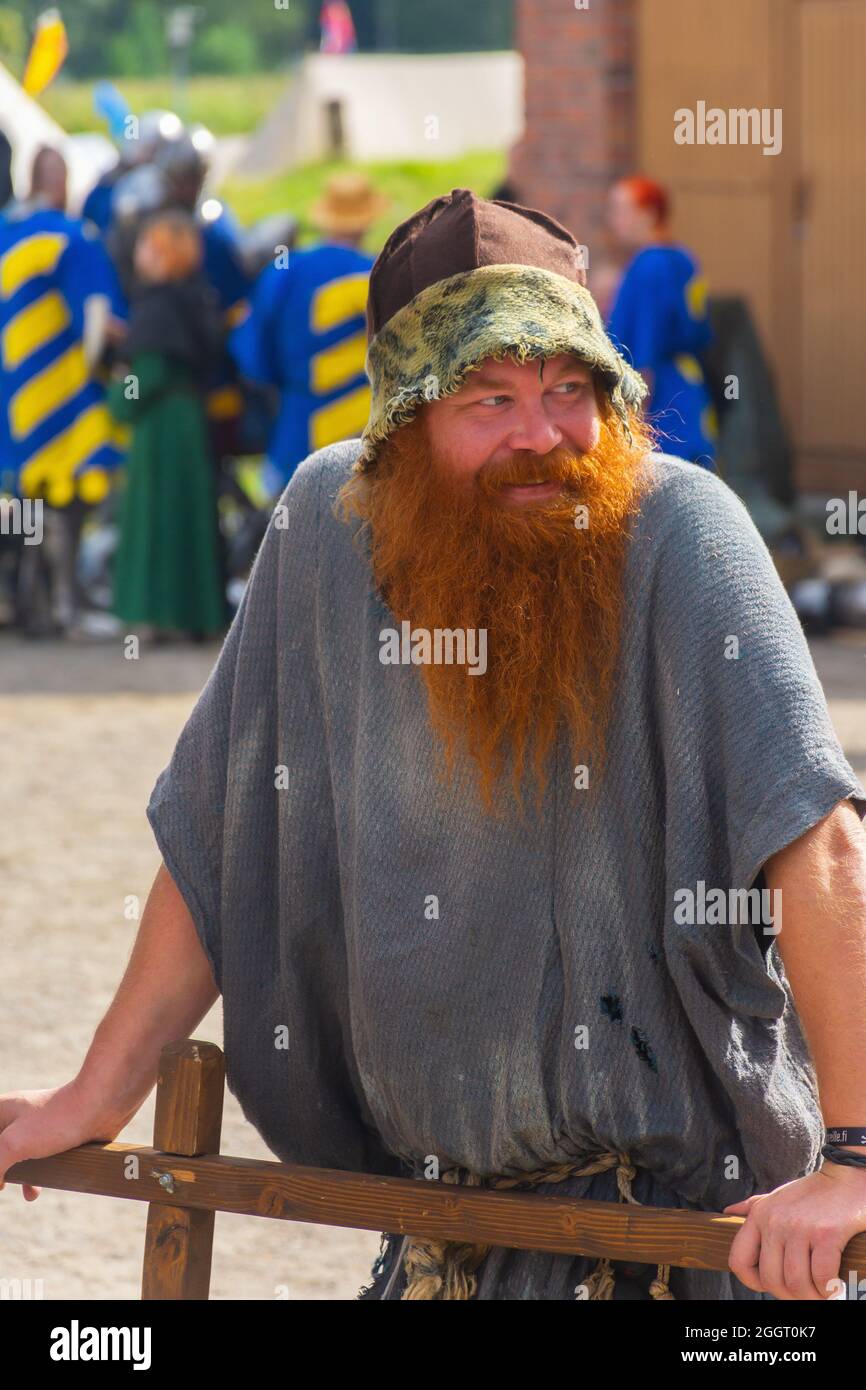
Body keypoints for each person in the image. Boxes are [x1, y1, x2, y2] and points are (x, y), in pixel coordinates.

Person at [3, 189, 866, 1304]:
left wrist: (850, 1159)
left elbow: (818, 845)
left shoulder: (679, 533)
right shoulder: (325, 530)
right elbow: (228, 836)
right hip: (440, 1239)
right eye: (487, 397)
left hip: (686, 1245)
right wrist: (95, 1091)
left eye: (568, 390)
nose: (539, 436)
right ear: (401, 422)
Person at [0, 146, 125, 634]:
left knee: (26, 502)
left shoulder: (6, 234)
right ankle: (64, 606)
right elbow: (95, 322)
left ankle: (21, 601)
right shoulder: (72, 239)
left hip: (15, 399)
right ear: (62, 181)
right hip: (65, 397)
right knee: (70, 501)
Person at [107, 211, 226, 641]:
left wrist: (119, 394)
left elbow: (148, 375)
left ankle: (158, 616)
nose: (138, 253)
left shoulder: (156, 303)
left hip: (160, 430)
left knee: (159, 520)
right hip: (189, 422)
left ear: (161, 255)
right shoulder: (194, 296)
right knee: (188, 518)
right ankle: (194, 617)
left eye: (146, 246)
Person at [230, 170, 388, 493]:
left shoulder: (284, 271)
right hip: (369, 447)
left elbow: (251, 358)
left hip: (296, 442)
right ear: (368, 221)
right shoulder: (380, 275)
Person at [606, 176, 718, 469]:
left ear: (649, 215)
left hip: (662, 404)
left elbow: (644, 353)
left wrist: (635, 426)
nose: (613, 219)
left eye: (620, 210)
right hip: (690, 393)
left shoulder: (649, 265)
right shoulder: (682, 258)